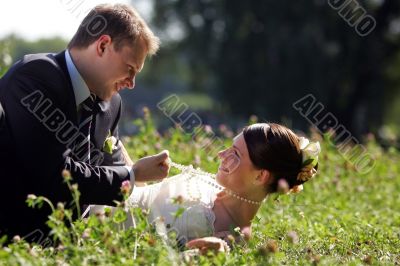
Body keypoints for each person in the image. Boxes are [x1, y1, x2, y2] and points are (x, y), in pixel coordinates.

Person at [0, 4, 170, 239]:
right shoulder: (35, 78)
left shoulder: (112, 105)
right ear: (102, 46)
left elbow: (108, 167)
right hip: (16, 239)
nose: (131, 83)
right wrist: (132, 176)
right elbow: (55, 176)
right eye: (129, 68)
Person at [99, 123, 320, 253]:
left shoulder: (234, 235)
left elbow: (192, 256)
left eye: (234, 154)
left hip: (95, 222)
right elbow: (143, 198)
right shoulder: (214, 185)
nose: (221, 155)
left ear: (260, 176)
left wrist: (217, 252)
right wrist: (132, 165)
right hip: (106, 188)